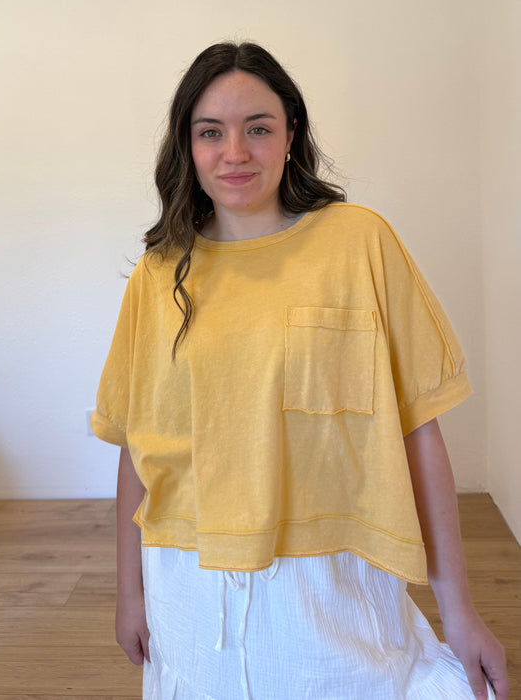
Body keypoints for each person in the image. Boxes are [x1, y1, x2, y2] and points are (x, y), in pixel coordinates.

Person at [91, 41, 508, 700]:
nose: (235, 152)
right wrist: (130, 595)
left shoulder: (359, 242)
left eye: (257, 128)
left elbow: (417, 431)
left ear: (290, 134)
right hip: (187, 579)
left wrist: (458, 610)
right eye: (210, 132)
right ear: (186, 147)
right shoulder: (157, 272)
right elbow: (135, 447)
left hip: (332, 579)